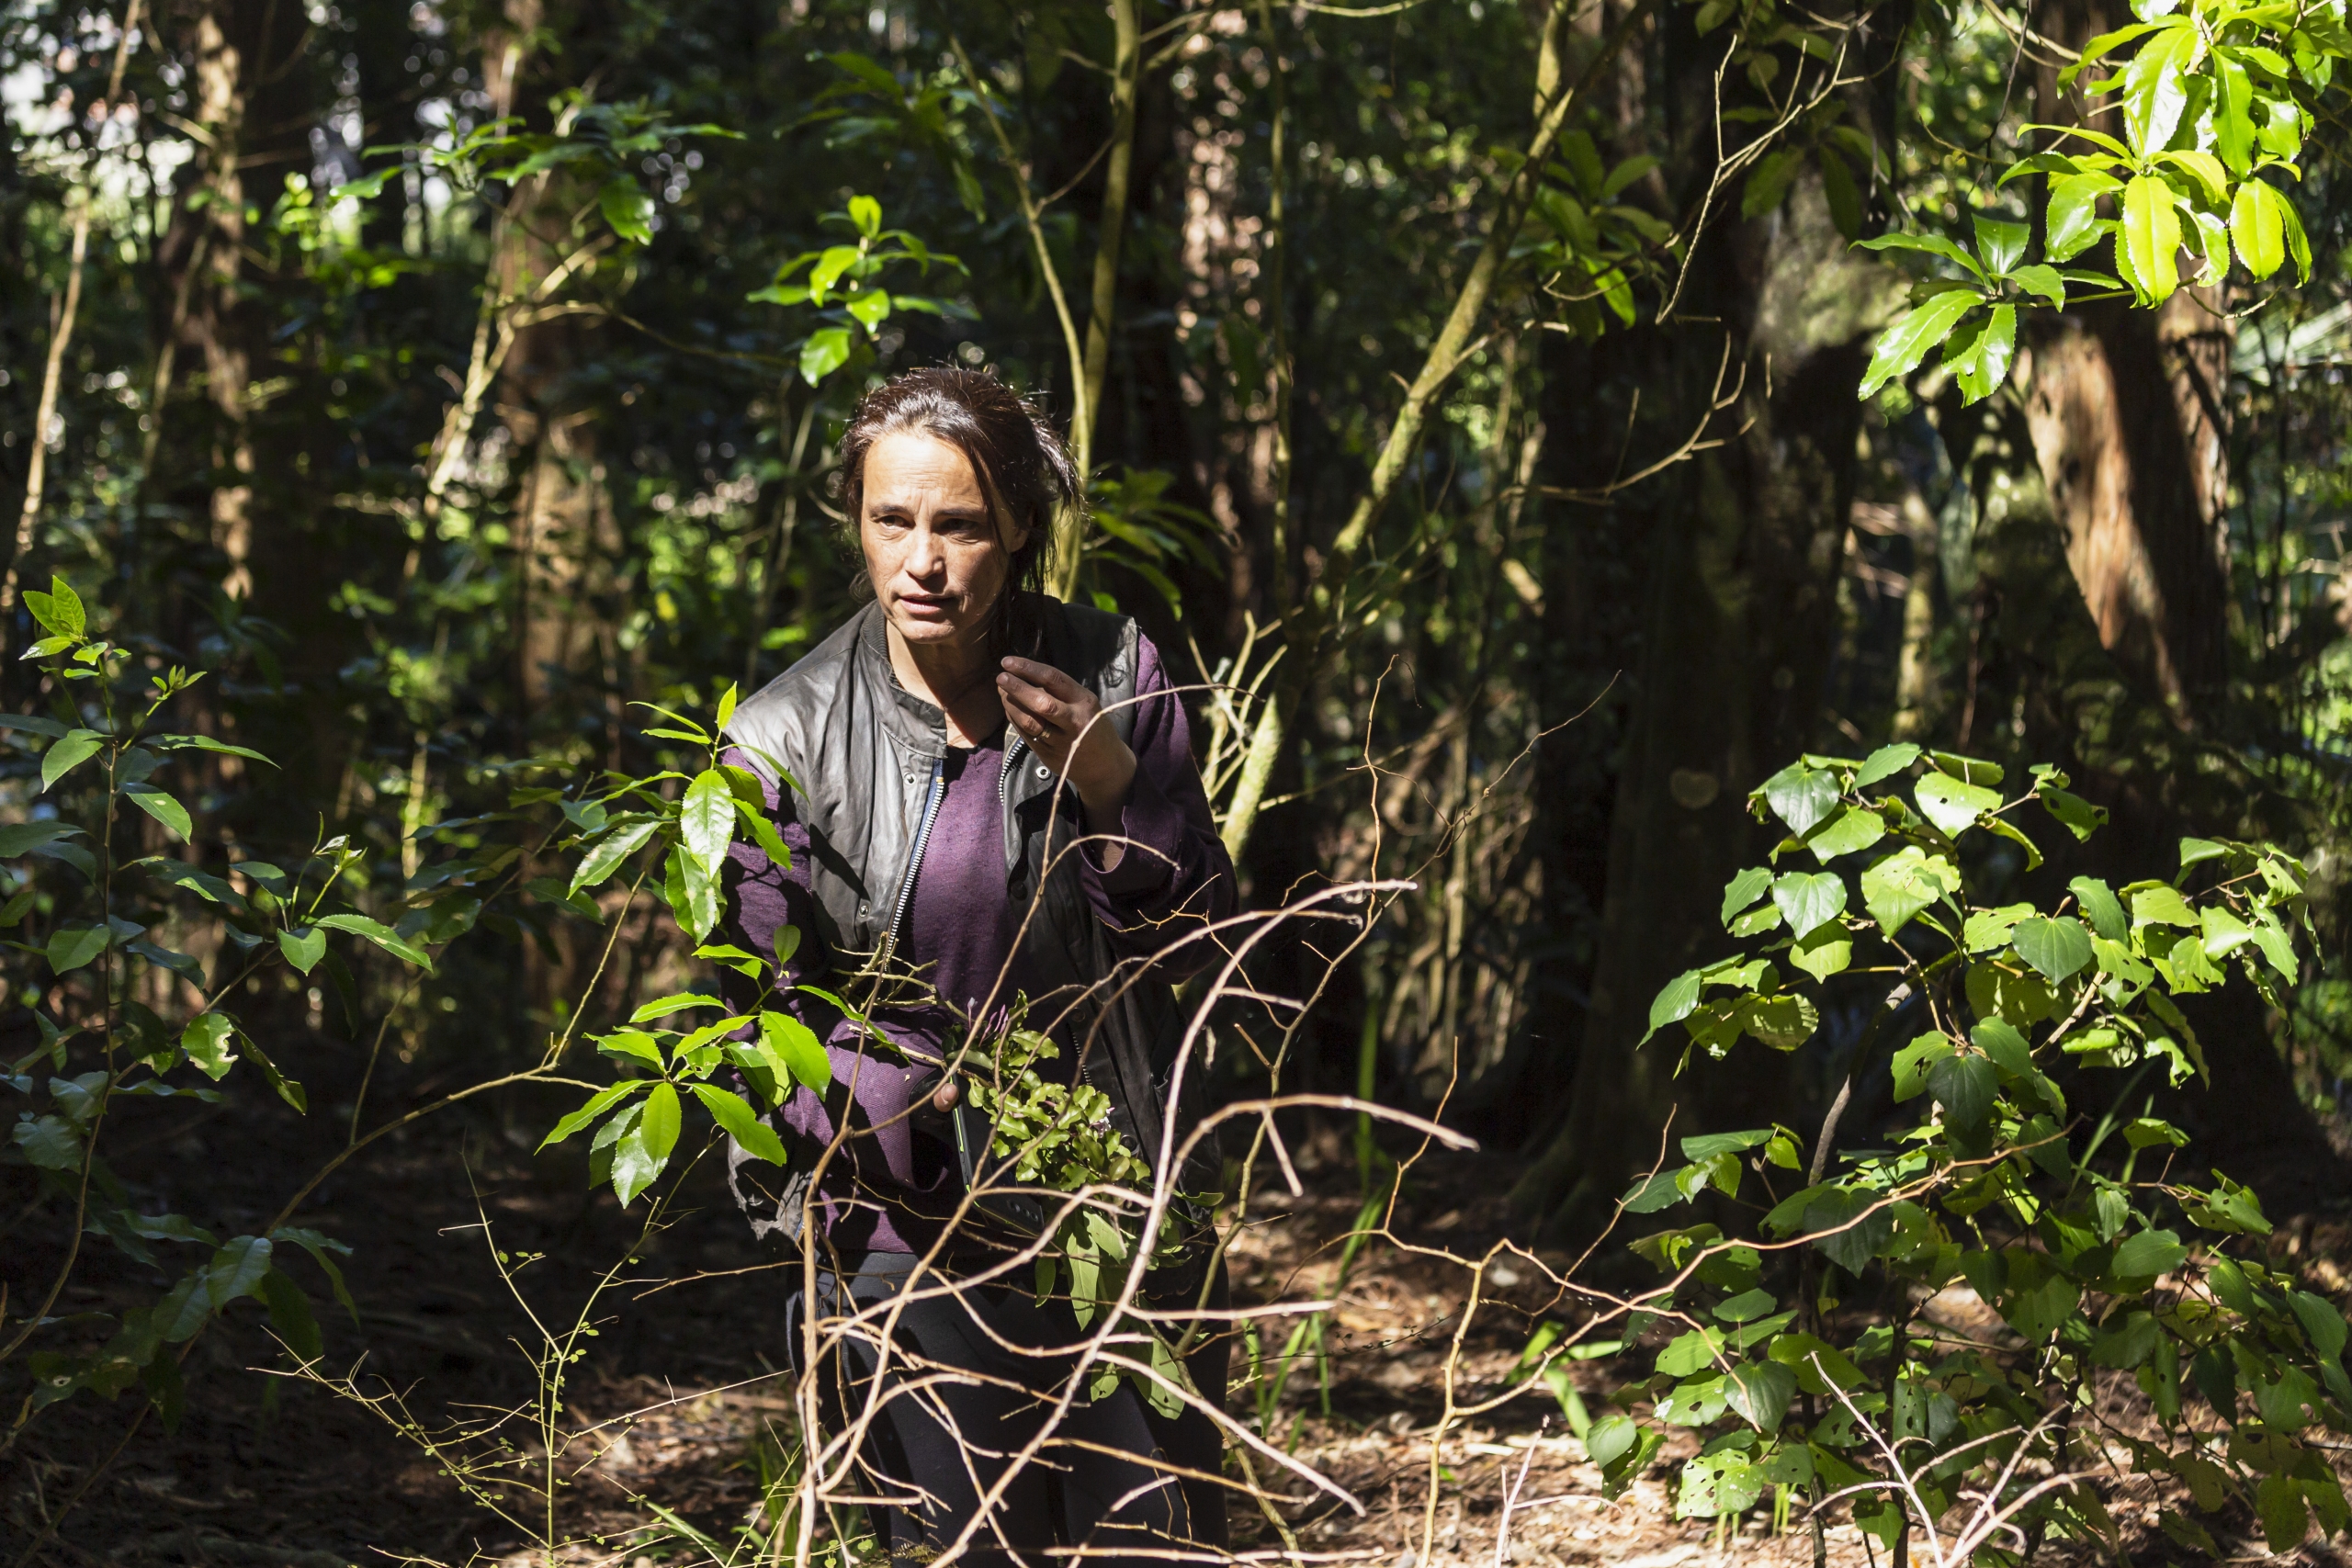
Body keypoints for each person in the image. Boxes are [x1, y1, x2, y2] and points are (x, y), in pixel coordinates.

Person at [713, 367, 1238, 1565]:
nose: (922, 561)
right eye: (892, 520)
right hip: (905, 1232)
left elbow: (1207, 954)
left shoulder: (1116, 674)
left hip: (1107, 1196)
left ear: (1017, 527)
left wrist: (1113, 786)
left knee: (1147, 1546)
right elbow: (748, 1025)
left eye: (956, 524)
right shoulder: (782, 737)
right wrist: (879, 1116)